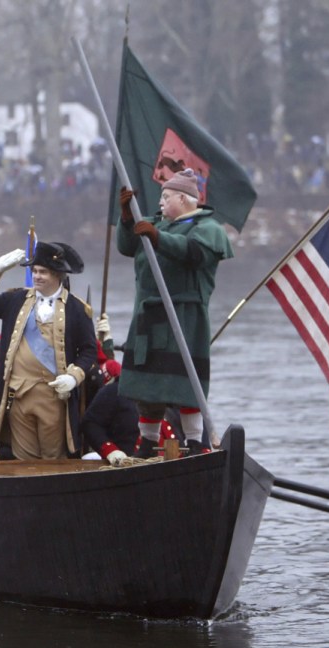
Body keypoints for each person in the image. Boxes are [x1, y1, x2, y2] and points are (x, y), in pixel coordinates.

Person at [117, 167, 233, 456]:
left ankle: (195, 442)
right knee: (147, 386)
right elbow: (127, 246)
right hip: (148, 314)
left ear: (184, 199)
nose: (160, 202)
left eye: (166, 196)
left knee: (185, 385)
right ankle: (146, 443)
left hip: (184, 315)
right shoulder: (154, 224)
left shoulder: (207, 228)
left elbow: (192, 253)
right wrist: (127, 218)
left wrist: (157, 237)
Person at [0, 241, 96, 460]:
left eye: (43, 272)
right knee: (24, 461)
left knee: (53, 461)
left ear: (58, 274)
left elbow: (88, 351)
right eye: (35, 271)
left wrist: (74, 377)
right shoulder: (17, 300)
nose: (37, 276)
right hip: (18, 394)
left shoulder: (76, 309)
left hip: (54, 397)